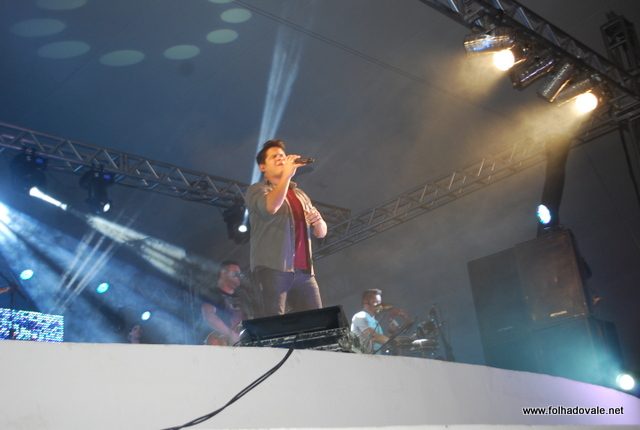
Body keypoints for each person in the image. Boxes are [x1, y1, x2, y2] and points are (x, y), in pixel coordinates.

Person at [245, 139, 327, 316]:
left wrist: (319, 222)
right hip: (272, 268)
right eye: (274, 157)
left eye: (282, 155)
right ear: (262, 167)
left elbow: (321, 233)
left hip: (304, 273)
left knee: (317, 322)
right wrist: (286, 177)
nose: (281, 158)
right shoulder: (257, 190)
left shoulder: (300, 194)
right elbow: (270, 207)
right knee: (275, 322)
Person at [200, 260, 245, 345]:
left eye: (240, 274)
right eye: (235, 273)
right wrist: (231, 335)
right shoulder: (212, 294)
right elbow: (209, 316)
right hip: (220, 344)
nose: (239, 276)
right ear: (223, 273)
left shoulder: (242, 297)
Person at [351, 289, 390, 354]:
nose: (380, 305)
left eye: (380, 302)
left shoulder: (376, 322)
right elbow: (372, 335)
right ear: (366, 303)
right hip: (362, 358)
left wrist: (392, 332)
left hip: (375, 358)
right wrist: (392, 342)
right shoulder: (360, 316)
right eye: (376, 302)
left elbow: (380, 341)